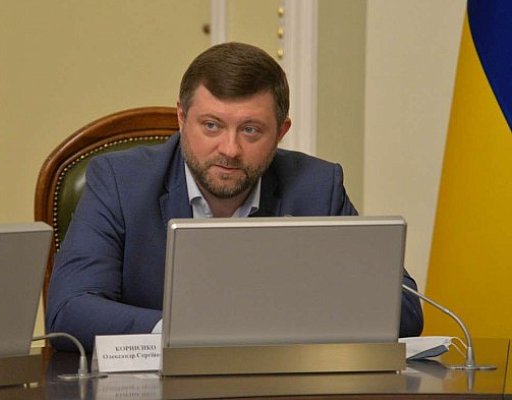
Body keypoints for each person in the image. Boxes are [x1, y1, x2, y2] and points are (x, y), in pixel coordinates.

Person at [46, 42, 423, 352]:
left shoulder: (316, 187)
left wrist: (268, 328)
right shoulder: (120, 182)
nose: (230, 149)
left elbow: (404, 309)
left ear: (281, 132)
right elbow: (69, 310)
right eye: (211, 125)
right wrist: (181, 331)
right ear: (181, 118)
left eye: (251, 130)